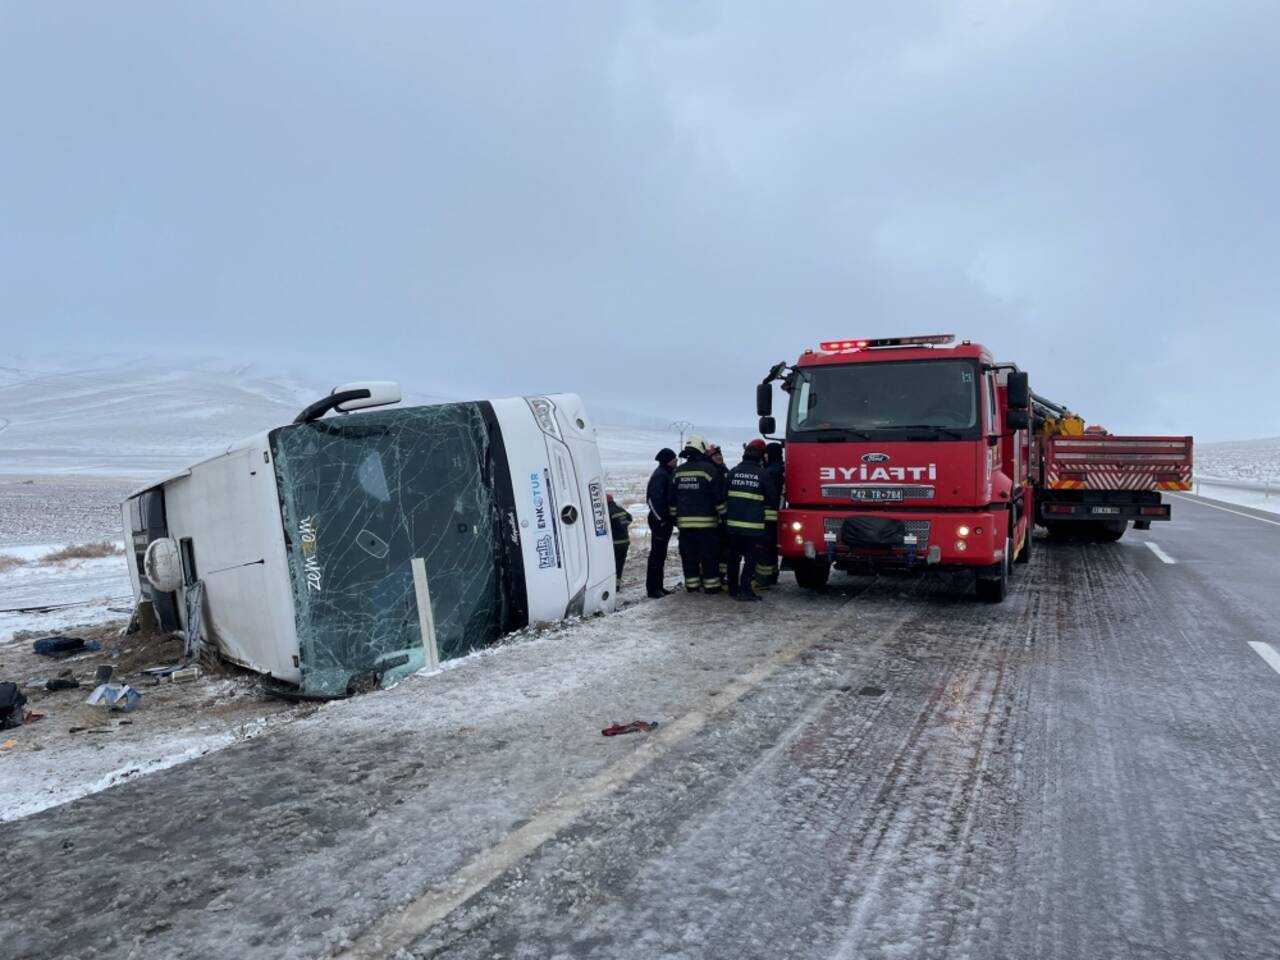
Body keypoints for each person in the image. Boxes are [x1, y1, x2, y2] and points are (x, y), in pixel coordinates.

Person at [725, 440, 778, 601]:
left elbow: (723, 495)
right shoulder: (763, 474)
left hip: (733, 526)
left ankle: (733, 589)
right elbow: (773, 499)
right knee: (751, 560)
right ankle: (746, 590)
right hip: (754, 527)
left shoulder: (733, 472)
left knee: (733, 559)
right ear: (761, 456)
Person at [673, 436, 726, 594]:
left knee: (689, 557)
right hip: (707, 525)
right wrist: (724, 516)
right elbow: (718, 497)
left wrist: (675, 518)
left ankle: (692, 586)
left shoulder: (678, 472)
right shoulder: (710, 470)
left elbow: (671, 499)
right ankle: (711, 587)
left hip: (684, 526)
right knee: (708, 556)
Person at [645, 448, 678, 598]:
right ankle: (653, 589)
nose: (676, 461)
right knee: (657, 556)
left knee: (661, 555)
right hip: (660, 522)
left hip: (664, 521)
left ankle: (659, 586)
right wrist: (662, 520)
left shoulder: (667, 474)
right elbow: (653, 499)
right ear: (667, 460)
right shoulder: (660, 476)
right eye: (674, 459)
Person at [757, 441, 785, 587]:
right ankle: (773, 574)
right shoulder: (783, 468)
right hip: (782, 514)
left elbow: (768, 495)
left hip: (768, 516)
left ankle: (764, 579)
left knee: (765, 548)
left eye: (767, 453)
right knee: (773, 547)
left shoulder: (769, 472)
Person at [706, 443, 730, 590]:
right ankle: (715, 577)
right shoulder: (713, 472)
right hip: (716, 518)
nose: (719, 458)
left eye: (719, 455)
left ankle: (721, 576)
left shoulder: (723, 470)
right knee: (715, 550)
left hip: (723, 517)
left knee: (724, 549)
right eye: (715, 456)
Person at [607, 494, 633, 588]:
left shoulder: (607, 512)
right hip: (625, 542)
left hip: (615, 543)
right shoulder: (620, 509)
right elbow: (630, 518)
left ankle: (613, 586)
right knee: (620, 565)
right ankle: (617, 584)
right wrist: (623, 526)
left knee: (613, 566)